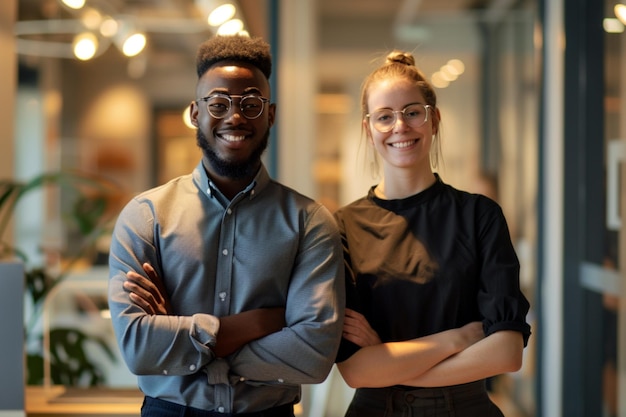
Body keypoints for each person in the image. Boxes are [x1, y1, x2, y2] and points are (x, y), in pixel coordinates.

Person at [107, 34, 345, 417]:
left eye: (250, 104)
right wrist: (261, 322)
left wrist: (186, 339)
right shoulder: (145, 215)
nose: (234, 117)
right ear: (195, 113)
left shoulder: (309, 222)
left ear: (270, 114)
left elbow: (314, 355)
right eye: (219, 103)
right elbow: (139, 348)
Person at [333, 50, 532, 416]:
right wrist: (460, 338)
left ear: (434, 119)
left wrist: (389, 361)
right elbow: (356, 370)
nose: (400, 127)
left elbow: (506, 352)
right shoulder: (342, 228)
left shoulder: (479, 216)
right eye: (384, 117)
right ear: (368, 129)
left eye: (412, 112)